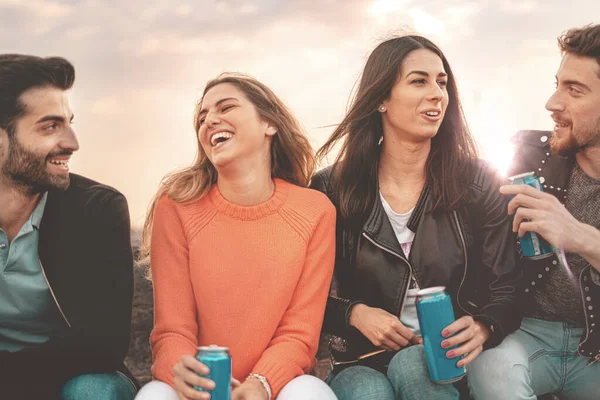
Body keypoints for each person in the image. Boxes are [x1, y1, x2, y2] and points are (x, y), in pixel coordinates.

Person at [311, 35, 522, 400]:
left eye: (442, 83)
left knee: (414, 365)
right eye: (419, 80)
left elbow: (509, 283)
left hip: (449, 356)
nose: (438, 94)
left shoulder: (477, 182)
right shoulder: (331, 187)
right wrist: (354, 313)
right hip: (359, 359)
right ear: (380, 99)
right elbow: (302, 294)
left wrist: (485, 325)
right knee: (367, 393)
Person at [134, 73, 337, 400]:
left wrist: (261, 384)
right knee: (153, 396)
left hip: (276, 386)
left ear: (269, 124)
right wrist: (181, 370)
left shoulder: (315, 211)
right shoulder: (175, 207)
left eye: (226, 107)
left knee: (312, 394)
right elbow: (173, 329)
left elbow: (299, 333)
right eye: (202, 118)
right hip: (201, 388)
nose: (210, 121)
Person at [468, 24, 600, 400]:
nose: (552, 102)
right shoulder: (529, 157)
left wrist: (581, 237)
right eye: (558, 83)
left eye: (574, 90)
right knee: (490, 369)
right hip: (525, 334)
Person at [0, 54, 137, 399]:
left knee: (93, 390)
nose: (73, 143)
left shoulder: (97, 209)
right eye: (50, 126)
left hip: (73, 376)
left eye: (68, 123)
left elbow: (103, 344)